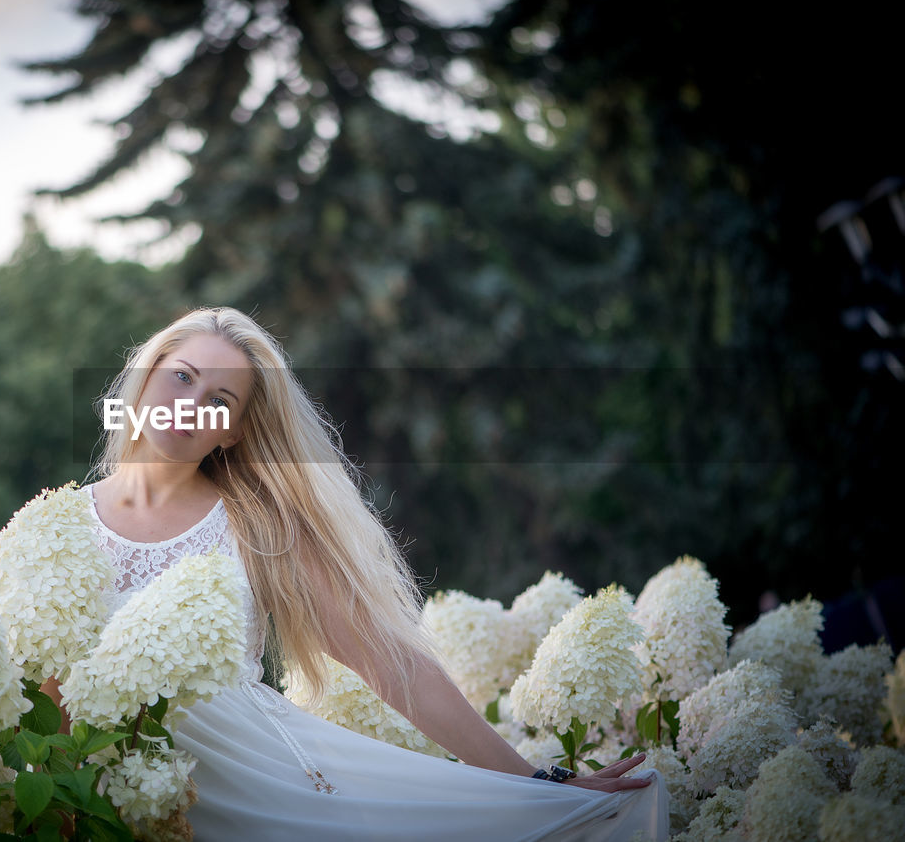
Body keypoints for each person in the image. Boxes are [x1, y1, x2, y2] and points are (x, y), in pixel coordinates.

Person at [42, 306, 669, 841]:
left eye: (220, 400)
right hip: (97, 802)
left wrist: (536, 780)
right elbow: (40, 683)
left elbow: (389, 661)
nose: (190, 406)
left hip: (259, 800)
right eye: (181, 377)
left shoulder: (256, 526)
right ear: (146, 377)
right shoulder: (55, 523)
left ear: (233, 433)